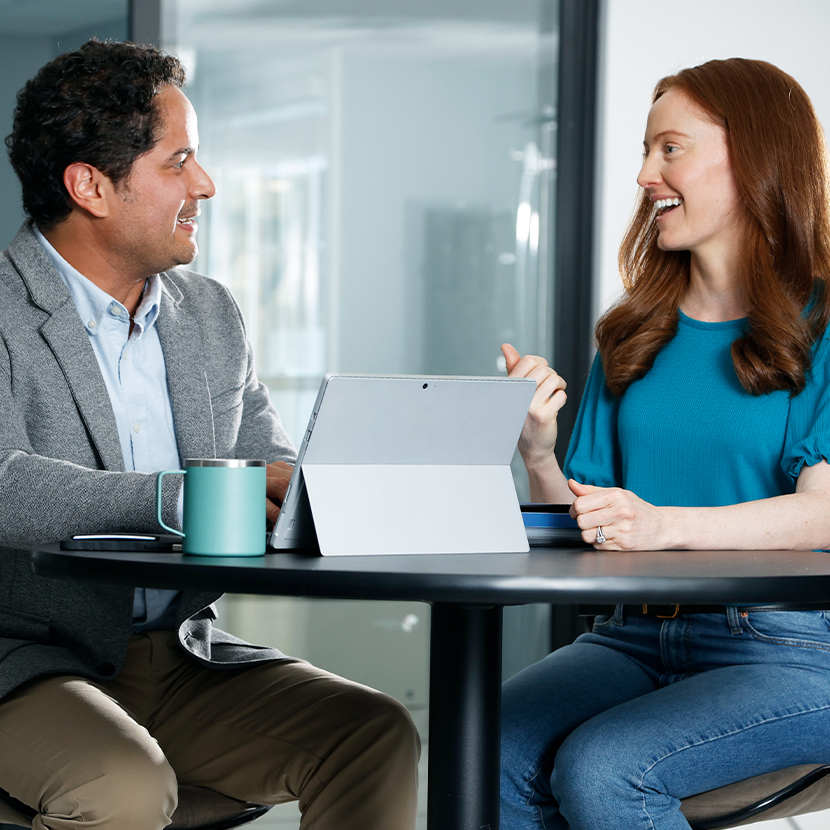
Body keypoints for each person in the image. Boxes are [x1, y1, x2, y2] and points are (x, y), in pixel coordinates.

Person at [0, 39, 419, 830]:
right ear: (90, 185)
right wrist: (188, 498)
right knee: (121, 784)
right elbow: (5, 484)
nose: (206, 185)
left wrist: (319, 490)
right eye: (178, 161)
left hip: (179, 655)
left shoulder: (209, 315)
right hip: (20, 658)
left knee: (371, 733)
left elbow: (269, 461)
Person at [500, 57, 830, 830]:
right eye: (646, 153)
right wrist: (539, 453)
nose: (647, 174)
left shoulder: (824, 323)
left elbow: (825, 516)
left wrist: (665, 524)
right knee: (492, 743)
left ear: (751, 157)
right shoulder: (633, 330)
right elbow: (588, 532)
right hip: (634, 632)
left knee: (608, 767)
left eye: (669, 149)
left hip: (790, 645)